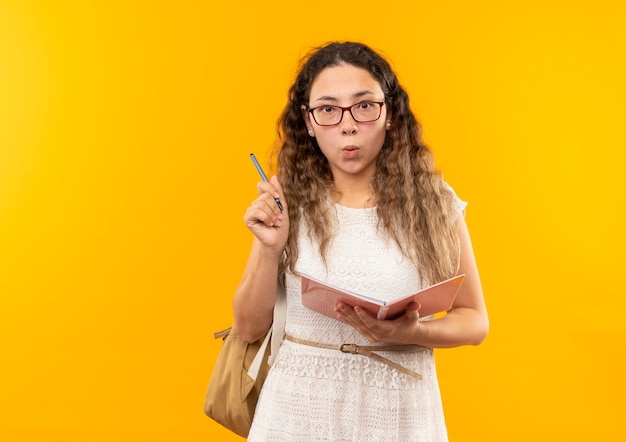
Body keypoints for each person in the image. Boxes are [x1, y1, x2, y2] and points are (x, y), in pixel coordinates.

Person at [233, 41, 489, 441]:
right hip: (296, 413)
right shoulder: (288, 203)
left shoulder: (434, 203)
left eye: (364, 105)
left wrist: (412, 333)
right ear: (309, 120)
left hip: (399, 415)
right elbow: (248, 328)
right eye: (328, 109)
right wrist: (269, 249)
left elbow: (475, 321)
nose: (348, 124)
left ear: (389, 113)